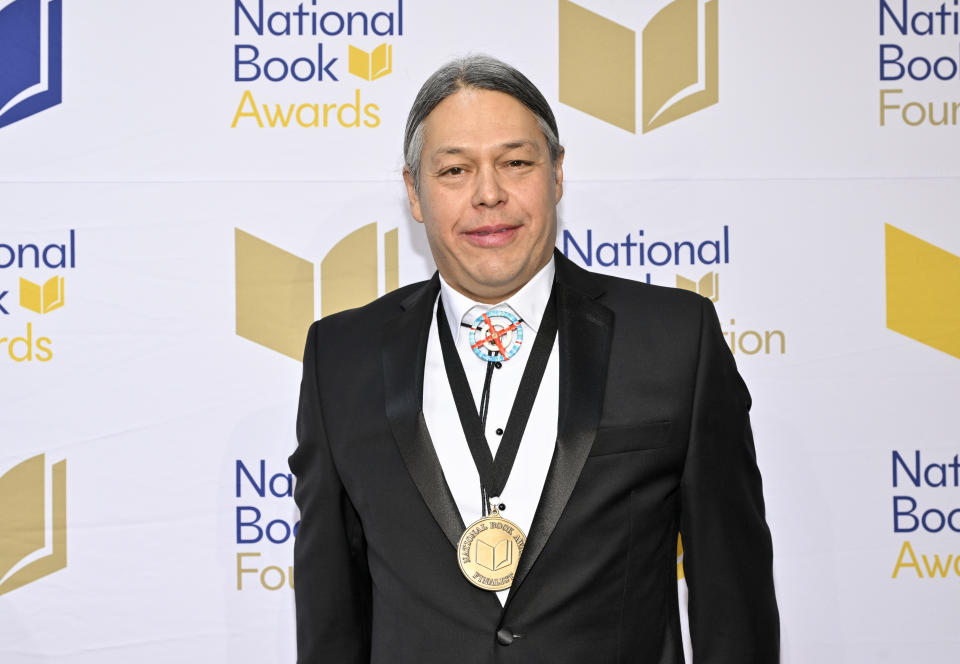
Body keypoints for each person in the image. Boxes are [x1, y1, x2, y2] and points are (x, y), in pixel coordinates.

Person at [289, 55, 779, 663]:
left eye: (516, 163)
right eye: (454, 171)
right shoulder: (342, 357)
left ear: (557, 174)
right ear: (415, 193)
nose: (489, 194)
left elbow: (733, 599)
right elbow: (330, 613)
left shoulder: (677, 339)